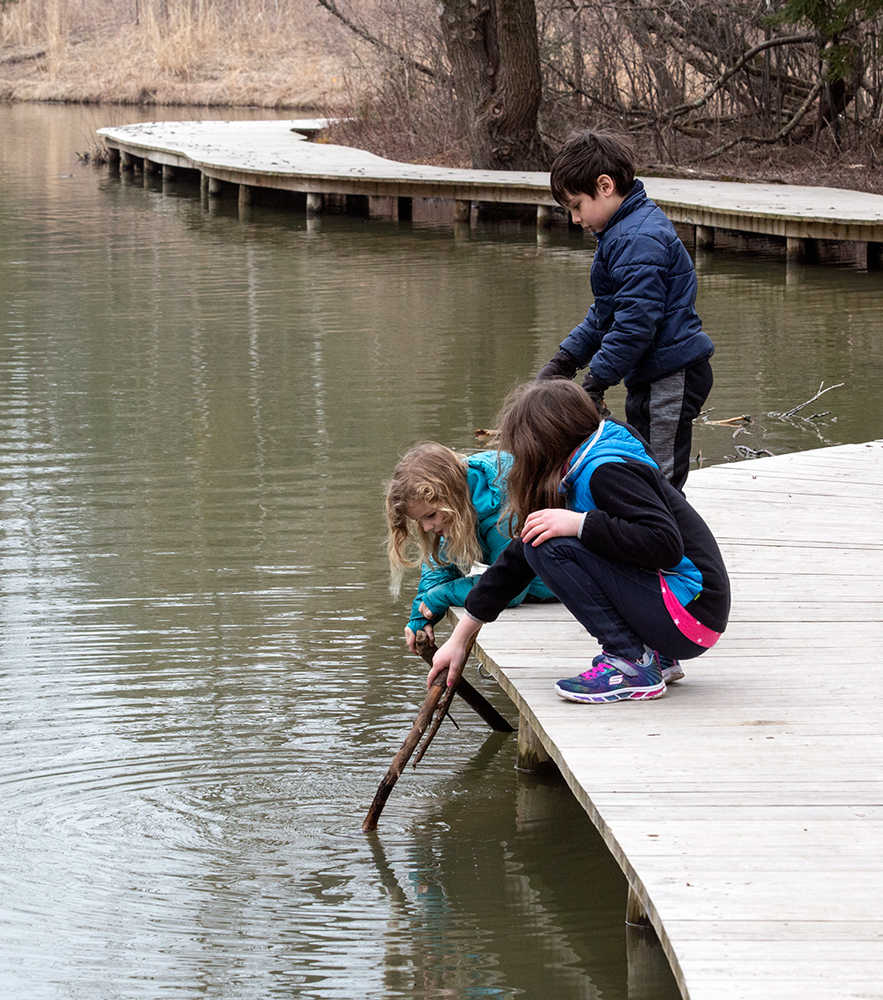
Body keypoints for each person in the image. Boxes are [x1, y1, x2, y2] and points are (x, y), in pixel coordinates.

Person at [428, 381, 730, 703]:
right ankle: (653, 656)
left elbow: (665, 544)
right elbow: (514, 563)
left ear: (546, 440)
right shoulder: (579, 469)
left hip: (691, 611)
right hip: (687, 616)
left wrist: (581, 524)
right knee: (536, 540)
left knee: (544, 546)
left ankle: (631, 663)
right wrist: (460, 638)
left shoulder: (605, 470)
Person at [537, 129, 715, 492]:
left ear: (604, 186)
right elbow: (609, 314)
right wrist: (566, 360)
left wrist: (595, 382)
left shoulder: (637, 239)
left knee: (659, 480)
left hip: (671, 375)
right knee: (646, 468)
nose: (574, 219)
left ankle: (671, 545)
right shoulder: (624, 232)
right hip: (655, 375)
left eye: (576, 206)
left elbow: (635, 325)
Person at [385, 442, 555, 653]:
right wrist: (420, 616)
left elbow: (511, 588)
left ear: (451, 497)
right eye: (419, 520)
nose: (427, 527)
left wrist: (441, 595)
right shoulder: (457, 494)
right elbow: (442, 563)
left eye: (430, 516)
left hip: (558, 583)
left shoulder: (502, 509)